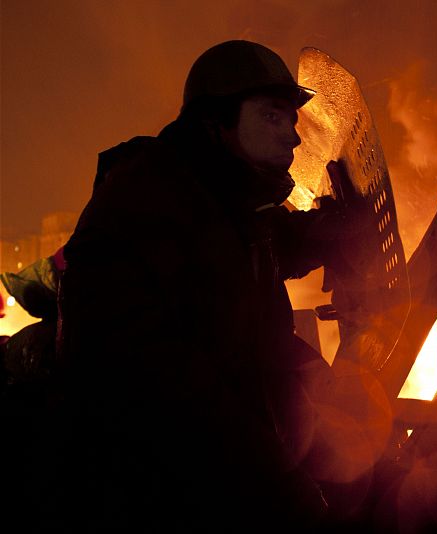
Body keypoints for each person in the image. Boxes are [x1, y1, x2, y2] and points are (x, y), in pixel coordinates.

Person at [29, 40, 350, 532]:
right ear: (216, 121)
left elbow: (247, 251)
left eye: (291, 120)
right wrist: (277, 478)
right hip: (150, 494)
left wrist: (323, 234)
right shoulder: (144, 203)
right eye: (271, 116)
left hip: (208, 468)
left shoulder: (219, 195)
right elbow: (159, 387)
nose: (292, 137)